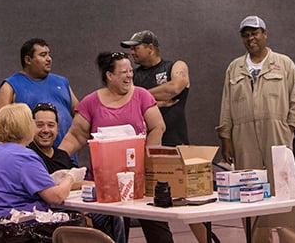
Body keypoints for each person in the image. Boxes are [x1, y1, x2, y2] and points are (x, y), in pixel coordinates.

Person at [58, 52, 172, 243]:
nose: (129, 75)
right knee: (114, 237)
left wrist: (147, 160)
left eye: (130, 71)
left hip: (140, 182)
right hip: (105, 186)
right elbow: (76, 136)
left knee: (160, 236)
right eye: (123, 72)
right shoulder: (91, 102)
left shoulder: (141, 96)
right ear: (109, 76)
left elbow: (158, 127)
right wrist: (55, 159)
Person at [216, 16, 295, 243]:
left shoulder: (284, 63)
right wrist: (226, 138)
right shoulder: (234, 68)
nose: (250, 38)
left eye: (255, 33)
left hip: (277, 135)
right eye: (245, 34)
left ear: (265, 34)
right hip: (243, 140)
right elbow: (226, 105)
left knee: (285, 192)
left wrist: (288, 126)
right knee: (250, 194)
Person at [120, 31, 210, 243]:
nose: (132, 52)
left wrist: (141, 98)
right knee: (148, 207)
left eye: (136, 47)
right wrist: (155, 102)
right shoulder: (133, 75)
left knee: (192, 205)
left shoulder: (175, 66)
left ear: (151, 47)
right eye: (130, 48)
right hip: (146, 151)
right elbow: (124, 101)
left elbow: (174, 87)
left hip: (176, 147)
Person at [29, 102, 126, 243]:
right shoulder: (28, 155)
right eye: (39, 125)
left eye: (50, 125)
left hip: (76, 208)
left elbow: (76, 181)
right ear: (30, 127)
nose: (45, 130)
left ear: (57, 128)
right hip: (48, 215)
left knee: (113, 215)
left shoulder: (62, 155)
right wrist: (82, 183)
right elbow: (52, 188)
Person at [0, 103, 84, 220]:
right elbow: (56, 197)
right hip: (9, 225)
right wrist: (71, 177)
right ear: (27, 126)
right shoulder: (24, 157)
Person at [0, 38, 78, 149]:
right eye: (43, 55)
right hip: (31, 158)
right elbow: (2, 128)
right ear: (28, 60)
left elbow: (80, 116)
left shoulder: (62, 82)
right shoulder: (10, 86)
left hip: (66, 156)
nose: (49, 59)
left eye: (49, 54)